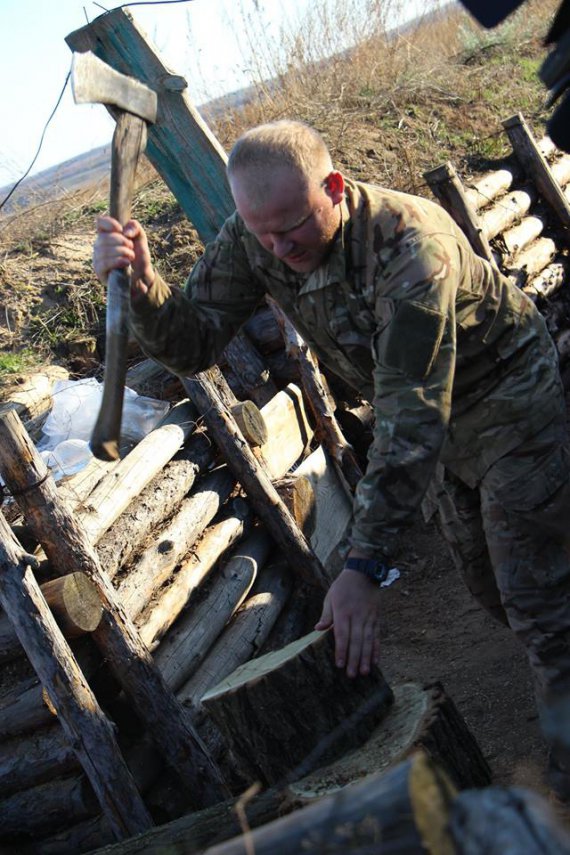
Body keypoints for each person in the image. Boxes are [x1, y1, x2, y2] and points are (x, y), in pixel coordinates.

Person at [93, 119, 570, 797]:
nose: (279, 247)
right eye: (263, 233)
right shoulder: (259, 234)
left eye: (292, 226)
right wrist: (142, 283)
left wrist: (364, 566)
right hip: (434, 430)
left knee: (543, 609)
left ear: (336, 188)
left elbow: (407, 419)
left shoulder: (411, 248)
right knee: (496, 589)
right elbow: (193, 343)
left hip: (508, 405)